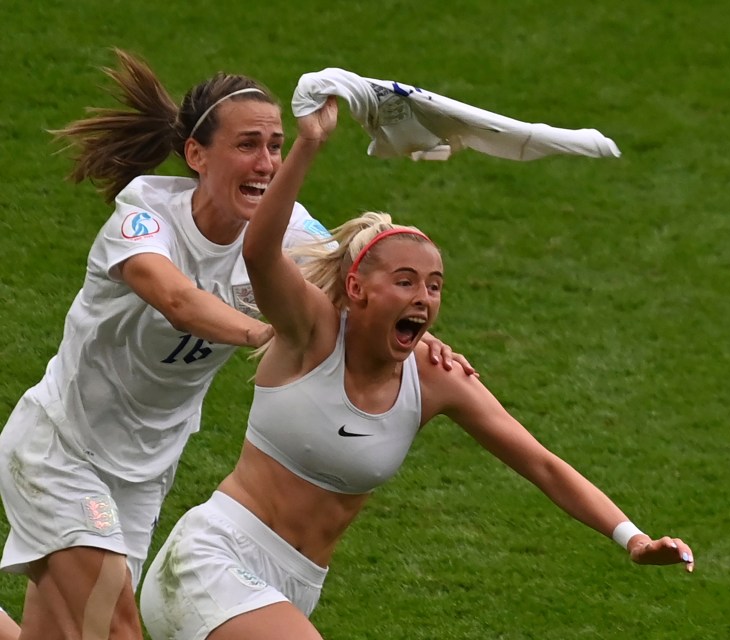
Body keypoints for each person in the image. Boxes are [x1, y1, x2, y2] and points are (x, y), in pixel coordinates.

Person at [139, 94, 695, 640]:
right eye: (404, 281)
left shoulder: (435, 378)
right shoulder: (310, 331)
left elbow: (543, 465)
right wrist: (308, 144)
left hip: (294, 588)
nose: (424, 297)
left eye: (433, 286)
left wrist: (633, 538)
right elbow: (261, 253)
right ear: (356, 287)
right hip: (212, 560)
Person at [0, 50, 469, 640]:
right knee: (115, 631)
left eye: (275, 144)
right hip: (60, 451)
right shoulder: (143, 217)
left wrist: (427, 338)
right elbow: (176, 299)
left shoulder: (290, 229)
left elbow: (359, 291)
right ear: (197, 155)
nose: (266, 162)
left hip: (144, 473)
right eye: (248, 144)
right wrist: (262, 330)